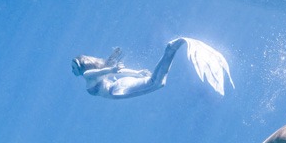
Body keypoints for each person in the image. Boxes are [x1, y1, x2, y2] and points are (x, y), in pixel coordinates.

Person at [72, 37, 233, 99]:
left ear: (83, 66)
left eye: (74, 67)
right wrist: (136, 72)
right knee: (156, 83)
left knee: (157, 83)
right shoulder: (92, 77)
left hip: (115, 90)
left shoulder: (88, 75)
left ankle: (171, 48)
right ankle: (171, 49)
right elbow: (109, 72)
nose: (73, 71)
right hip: (116, 87)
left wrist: (113, 70)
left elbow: (102, 71)